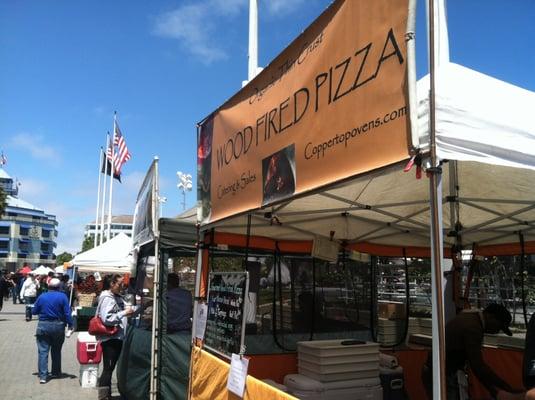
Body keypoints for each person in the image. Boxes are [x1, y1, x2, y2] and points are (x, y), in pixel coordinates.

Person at [422, 303, 521, 399]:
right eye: (499, 327)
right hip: (440, 375)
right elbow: (477, 366)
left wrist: (493, 389)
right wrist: (504, 388)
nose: (497, 331)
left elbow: (476, 366)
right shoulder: (473, 328)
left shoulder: (470, 317)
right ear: (490, 317)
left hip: (438, 372)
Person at [95, 274, 135, 400]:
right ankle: (103, 397)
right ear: (112, 284)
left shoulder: (115, 296)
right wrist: (124, 313)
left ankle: (107, 395)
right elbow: (107, 318)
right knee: (108, 369)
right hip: (111, 338)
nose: (122, 286)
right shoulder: (107, 297)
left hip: (116, 337)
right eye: (120, 284)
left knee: (109, 368)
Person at [31, 278, 73, 384]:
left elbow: (34, 311)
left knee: (43, 351)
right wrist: (71, 324)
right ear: (59, 287)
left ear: (48, 286)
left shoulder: (42, 296)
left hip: (43, 326)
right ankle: (56, 372)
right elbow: (67, 313)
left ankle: (43, 376)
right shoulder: (63, 297)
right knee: (56, 350)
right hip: (58, 326)